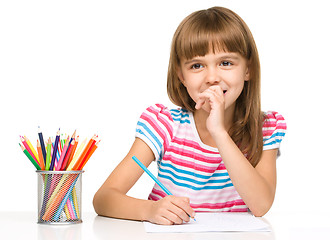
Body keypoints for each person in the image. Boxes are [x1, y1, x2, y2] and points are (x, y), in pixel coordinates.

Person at [93, 6, 286, 225]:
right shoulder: (164, 125)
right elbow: (104, 198)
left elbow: (261, 205)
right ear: (181, 76)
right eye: (197, 65)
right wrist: (149, 210)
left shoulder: (266, 128)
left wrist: (219, 132)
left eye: (226, 63)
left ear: (248, 69)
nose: (212, 77)